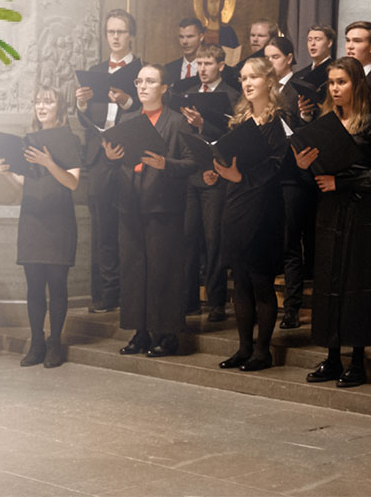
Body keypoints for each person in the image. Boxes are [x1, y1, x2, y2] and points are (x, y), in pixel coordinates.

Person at [294, 58, 371, 388]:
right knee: (329, 283)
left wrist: (345, 183)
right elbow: (316, 171)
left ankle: (358, 361)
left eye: (342, 82)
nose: (335, 89)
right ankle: (333, 357)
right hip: (328, 210)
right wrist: (304, 164)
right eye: (332, 83)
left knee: (356, 285)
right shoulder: (325, 121)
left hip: (358, 210)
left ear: (357, 84)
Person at [102, 64, 196, 358]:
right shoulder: (129, 118)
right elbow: (121, 161)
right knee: (133, 270)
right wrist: (111, 157)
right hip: (130, 204)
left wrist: (165, 164)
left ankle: (166, 334)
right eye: (139, 81)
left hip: (162, 206)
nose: (143, 87)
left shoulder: (177, 122)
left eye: (150, 81)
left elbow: (194, 162)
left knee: (161, 272)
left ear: (164, 88)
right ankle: (139, 332)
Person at [0, 88, 81, 368]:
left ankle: (55, 342)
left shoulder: (70, 139)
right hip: (32, 216)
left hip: (58, 219)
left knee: (56, 284)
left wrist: (49, 162)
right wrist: (8, 173)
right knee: (34, 286)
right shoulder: (27, 140)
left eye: (48, 101)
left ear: (60, 107)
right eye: (37, 102)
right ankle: (37, 342)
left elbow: (72, 182)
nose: (41, 107)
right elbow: (26, 183)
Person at [215, 57, 290, 371]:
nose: (246, 84)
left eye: (253, 78)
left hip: (265, 207)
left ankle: (263, 351)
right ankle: (243, 348)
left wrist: (240, 178)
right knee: (240, 281)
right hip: (235, 204)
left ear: (268, 82)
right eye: (243, 78)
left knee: (261, 281)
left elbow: (277, 166)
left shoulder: (280, 120)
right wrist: (217, 169)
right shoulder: (239, 120)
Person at [75, 9, 142, 314]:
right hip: (99, 157)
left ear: (131, 35)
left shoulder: (141, 71)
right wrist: (83, 105)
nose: (115, 37)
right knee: (101, 227)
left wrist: (126, 100)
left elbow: (146, 110)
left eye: (121, 32)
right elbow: (87, 119)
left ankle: (127, 293)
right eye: (110, 32)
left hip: (129, 156)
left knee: (127, 226)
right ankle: (103, 294)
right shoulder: (97, 70)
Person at [181, 44, 239, 322]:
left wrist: (204, 124)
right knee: (189, 238)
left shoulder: (231, 96)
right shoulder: (189, 94)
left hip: (217, 174)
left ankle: (216, 302)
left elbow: (232, 137)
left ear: (220, 66)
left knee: (214, 239)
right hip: (193, 173)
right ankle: (189, 299)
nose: (202, 69)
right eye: (199, 64)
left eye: (208, 64)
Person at [265, 35, 312, 329]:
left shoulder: (299, 89)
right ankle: (268, 305)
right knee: (270, 243)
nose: (271, 63)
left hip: (293, 175)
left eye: (275, 57)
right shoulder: (265, 90)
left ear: (290, 58)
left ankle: (292, 308)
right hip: (267, 176)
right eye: (267, 58)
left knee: (291, 243)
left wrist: (306, 117)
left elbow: (309, 131)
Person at [164, 17, 205, 83]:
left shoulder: (213, 69)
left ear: (201, 37)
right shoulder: (168, 69)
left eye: (190, 36)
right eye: (181, 37)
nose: (184, 41)